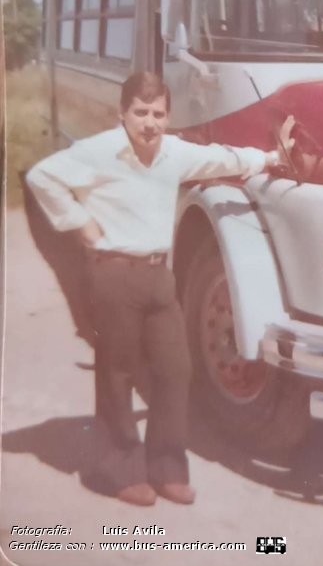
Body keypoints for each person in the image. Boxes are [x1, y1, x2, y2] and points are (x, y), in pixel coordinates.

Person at [26, 72, 294, 507]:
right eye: (140, 113)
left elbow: (221, 159)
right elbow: (42, 177)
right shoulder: (97, 152)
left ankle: (167, 469)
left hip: (157, 278)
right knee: (118, 374)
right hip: (113, 276)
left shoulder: (173, 152)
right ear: (123, 113)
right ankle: (119, 470)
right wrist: (80, 223)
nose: (150, 122)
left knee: (175, 371)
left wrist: (267, 159)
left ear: (167, 116)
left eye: (158, 114)